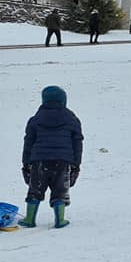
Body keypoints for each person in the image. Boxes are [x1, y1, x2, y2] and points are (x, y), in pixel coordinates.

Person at [18, 86, 83, 229]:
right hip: (63, 161)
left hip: (38, 161)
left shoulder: (35, 119)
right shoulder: (72, 119)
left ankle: (29, 219)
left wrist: (26, 164)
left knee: (35, 190)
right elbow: (78, 142)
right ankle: (60, 220)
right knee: (60, 190)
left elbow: (28, 143)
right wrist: (76, 164)